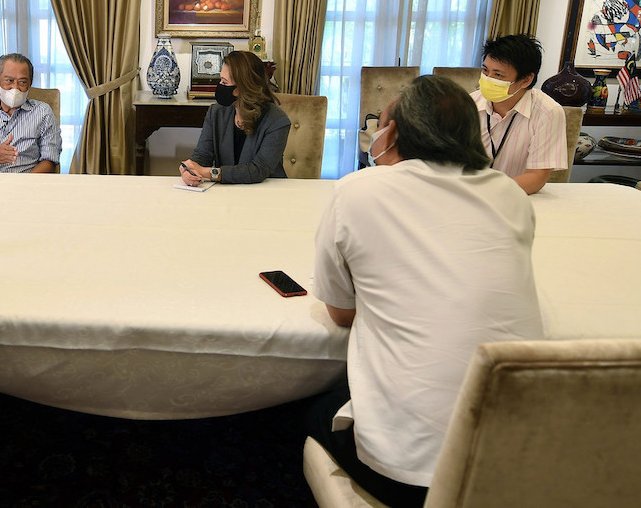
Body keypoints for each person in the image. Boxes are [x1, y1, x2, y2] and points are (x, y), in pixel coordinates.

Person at [307, 75, 543, 507]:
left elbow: (341, 314)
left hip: (410, 473)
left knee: (310, 412)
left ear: (393, 132)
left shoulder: (358, 190)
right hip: (517, 464)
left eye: (381, 123)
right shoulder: (510, 194)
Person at [470, 33, 566, 194]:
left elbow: (536, 177)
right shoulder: (469, 103)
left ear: (526, 80)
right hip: (467, 195)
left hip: (515, 197)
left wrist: (490, 192)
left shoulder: (548, 113)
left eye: (498, 75)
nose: (488, 79)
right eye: (485, 71)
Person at [179, 50, 290, 185]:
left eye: (224, 83)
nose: (219, 86)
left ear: (244, 87)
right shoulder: (216, 112)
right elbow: (203, 155)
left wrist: (211, 173)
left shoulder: (277, 120)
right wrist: (190, 171)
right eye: (220, 80)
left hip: (266, 190)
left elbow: (259, 170)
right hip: (227, 191)